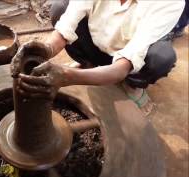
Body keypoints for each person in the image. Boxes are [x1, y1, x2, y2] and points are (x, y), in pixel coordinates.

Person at [12, 0, 185, 115]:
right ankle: (90, 64)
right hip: (97, 44)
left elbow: (122, 67)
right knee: (60, 8)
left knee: (162, 58)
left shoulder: (169, 3)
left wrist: (67, 76)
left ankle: (131, 84)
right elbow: (66, 27)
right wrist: (44, 50)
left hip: (126, 62)